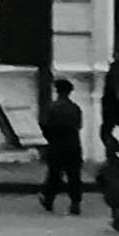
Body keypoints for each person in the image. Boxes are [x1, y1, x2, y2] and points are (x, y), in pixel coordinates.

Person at [38, 78, 84, 215]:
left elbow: (44, 125)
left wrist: (50, 138)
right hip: (73, 145)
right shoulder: (75, 108)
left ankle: (49, 200)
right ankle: (75, 203)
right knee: (74, 175)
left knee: (54, 174)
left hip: (56, 145)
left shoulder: (51, 108)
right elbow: (79, 125)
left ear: (57, 91)